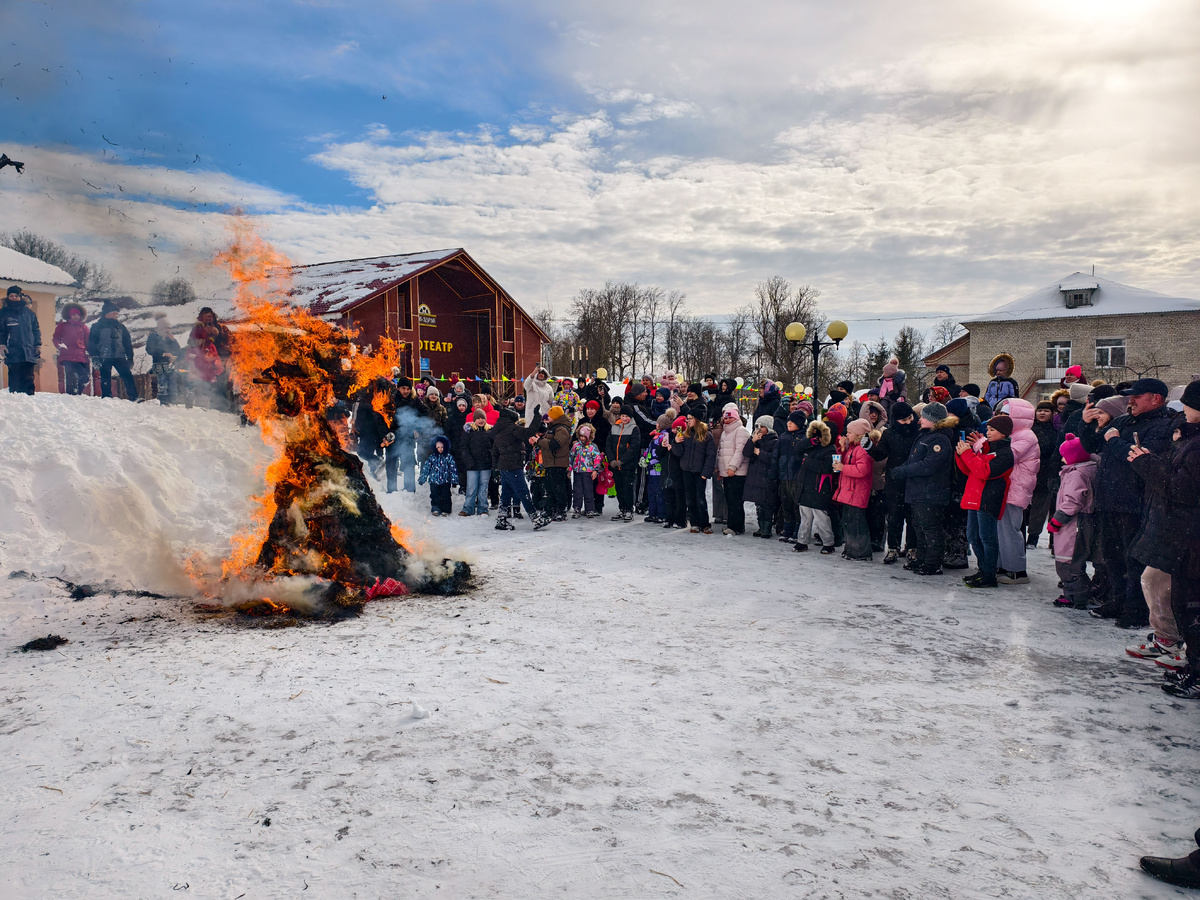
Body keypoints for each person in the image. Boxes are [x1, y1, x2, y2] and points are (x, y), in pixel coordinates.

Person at [1080, 378, 1175, 627]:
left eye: (1137, 396)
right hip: (1109, 500)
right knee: (1112, 557)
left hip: (1135, 504)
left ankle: (1136, 610)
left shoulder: (1163, 426)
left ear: (1156, 398)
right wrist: (1089, 424)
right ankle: (1117, 600)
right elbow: (1092, 446)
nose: (1130, 400)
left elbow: (1138, 459)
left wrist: (1113, 440)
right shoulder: (1123, 421)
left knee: (1134, 560)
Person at [891, 401, 958, 575]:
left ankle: (933, 563)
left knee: (930, 528)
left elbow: (928, 465)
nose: (919, 420)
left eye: (924, 417)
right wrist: (901, 469)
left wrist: (903, 471)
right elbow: (914, 460)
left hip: (930, 492)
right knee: (919, 527)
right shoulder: (926, 436)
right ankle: (921, 559)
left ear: (934, 420)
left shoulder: (940, 439)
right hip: (918, 490)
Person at [956, 414, 1016, 588]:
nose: (988, 433)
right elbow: (970, 470)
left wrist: (967, 454)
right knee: (973, 536)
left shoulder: (1005, 454)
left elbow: (984, 472)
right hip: (976, 496)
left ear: (1004, 433)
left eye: (992, 430)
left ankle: (989, 573)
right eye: (988, 429)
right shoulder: (987, 449)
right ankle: (983, 569)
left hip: (989, 499)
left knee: (987, 538)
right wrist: (962, 454)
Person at [1047, 433, 1098, 609]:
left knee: (1068, 561)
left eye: (1064, 454)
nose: (1061, 458)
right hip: (1078, 522)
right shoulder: (1082, 471)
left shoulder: (1076, 474)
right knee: (1073, 560)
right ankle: (1077, 593)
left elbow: (1073, 501)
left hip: (1074, 523)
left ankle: (1075, 596)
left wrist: (1057, 519)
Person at [995, 398, 1040, 584]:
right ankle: (1003, 565)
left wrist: (981, 442)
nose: (1001, 418)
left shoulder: (1025, 437)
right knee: (1001, 529)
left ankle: (1016, 570)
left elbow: (1005, 457)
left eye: (1006, 415)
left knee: (1010, 530)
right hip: (1007, 487)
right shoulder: (1013, 435)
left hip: (1015, 488)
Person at [869, 400, 919, 563]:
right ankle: (893, 548)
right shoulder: (890, 434)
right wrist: (869, 447)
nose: (908, 422)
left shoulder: (918, 431)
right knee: (894, 516)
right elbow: (881, 454)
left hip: (913, 478)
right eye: (903, 420)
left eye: (910, 418)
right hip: (894, 480)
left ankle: (912, 547)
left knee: (912, 516)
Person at [491, 406, 549, 530]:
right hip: (513, 465)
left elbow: (494, 452)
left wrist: (495, 469)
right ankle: (535, 518)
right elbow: (530, 431)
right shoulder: (511, 428)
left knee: (506, 492)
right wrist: (537, 416)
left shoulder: (497, 430)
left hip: (503, 466)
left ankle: (501, 518)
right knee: (523, 491)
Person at [833, 418, 880, 560]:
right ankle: (851, 548)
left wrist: (843, 468)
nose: (846, 435)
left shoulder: (862, 450)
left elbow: (862, 470)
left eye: (849, 432)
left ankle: (861, 551)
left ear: (859, 434)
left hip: (856, 491)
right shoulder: (852, 448)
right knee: (848, 521)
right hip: (848, 490)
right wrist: (841, 450)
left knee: (857, 523)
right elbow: (838, 464)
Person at [795, 418, 836, 553]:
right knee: (805, 516)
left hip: (819, 488)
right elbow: (797, 449)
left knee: (821, 517)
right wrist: (808, 442)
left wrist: (807, 461)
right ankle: (802, 541)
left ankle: (828, 543)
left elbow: (828, 468)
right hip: (806, 485)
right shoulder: (810, 446)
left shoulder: (831, 449)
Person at [672, 410, 716, 534]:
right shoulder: (685, 434)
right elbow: (678, 453)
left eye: (690, 418)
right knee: (690, 498)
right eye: (687, 418)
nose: (687, 421)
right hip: (687, 470)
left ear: (697, 419)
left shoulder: (707, 435)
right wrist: (676, 442)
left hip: (699, 471)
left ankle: (705, 524)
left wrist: (706, 472)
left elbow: (711, 456)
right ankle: (695, 522)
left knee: (700, 498)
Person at [88, 300, 138, 400]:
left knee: (128, 377)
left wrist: (130, 358)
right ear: (107, 313)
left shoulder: (121, 327)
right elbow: (91, 343)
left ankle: (134, 397)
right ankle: (107, 397)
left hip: (120, 356)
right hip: (103, 356)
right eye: (114, 312)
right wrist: (94, 357)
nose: (116, 315)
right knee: (105, 378)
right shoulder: (96, 327)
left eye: (117, 313)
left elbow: (127, 343)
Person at [1027, 401, 1060, 547]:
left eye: (1046, 411)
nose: (1042, 413)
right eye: (1039, 410)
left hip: (1047, 473)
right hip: (1030, 471)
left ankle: (1033, 536)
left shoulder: (1055, 430)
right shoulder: (1030, 429)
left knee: (1041, 507)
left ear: (1052, 413)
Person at [715, 403, 750, 535]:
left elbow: (740, 451)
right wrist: (720, 469)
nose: (728, 420)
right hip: (727, 473)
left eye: (731, 418)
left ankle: (737, 526)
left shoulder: (740, 431)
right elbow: (721, 452)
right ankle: (732, 524)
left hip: (737, 472)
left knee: (735, 500)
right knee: (729, 499)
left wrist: (732, 467)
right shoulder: (725, 432)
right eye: (726, 418)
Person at [0, 285, 41, 395]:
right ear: (8, 297)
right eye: (11, 296)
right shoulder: (3, 313)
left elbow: (36, 329)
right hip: (13, 350)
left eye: (16, 296)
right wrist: (2, 345)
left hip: (28, 350)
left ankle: (29, 400)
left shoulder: (29, 313)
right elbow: (1, 331)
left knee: (28, 378)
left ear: (20, 297)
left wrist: (38, 345)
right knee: (15, 377)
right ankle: (16, 401)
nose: (13, 298)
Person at [744, 415, 779, 538]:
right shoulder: (755, 439)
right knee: (758, 503)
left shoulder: (774, 441)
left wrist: (760, 453)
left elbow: (774, 459)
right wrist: (752, 441)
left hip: (767, 475)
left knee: (767, 504)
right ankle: (761, 526)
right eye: (757, 426)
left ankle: (767, 528)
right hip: (755, 475)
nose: (758, 429)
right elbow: (746, 453)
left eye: (761, 427)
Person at [606, 406, 642, 522]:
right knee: (619, 488)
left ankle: (628, 509)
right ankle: (622, 508)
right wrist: (612, 460)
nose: (624, 418)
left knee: (628, 487)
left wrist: (622, 460)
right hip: (615, 465)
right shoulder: (614, 428)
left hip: (627, 465)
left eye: (627, 416)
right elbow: (609, 445)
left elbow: (634, 447)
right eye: (622, 416)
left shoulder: (634, 429)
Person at [459, 409, 493, 516]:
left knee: (483, 487)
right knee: (471, 487)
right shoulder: (469, 432)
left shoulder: (490, 431)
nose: (480, 420)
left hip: (486, 465)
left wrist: (491, 460)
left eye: (482, 418)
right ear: (474, 420)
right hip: (472, 466)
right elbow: (463, 447)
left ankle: (483, 508)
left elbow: (494, 447)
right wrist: (468, 461)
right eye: (478, 418)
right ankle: (468, 508)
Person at [52, 301, 90, 396]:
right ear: (69, 315)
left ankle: (78, 393)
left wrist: (92, 352)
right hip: (67, 355)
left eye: (77, 314)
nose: (76, 316)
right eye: (73, 314)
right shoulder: (62, 326)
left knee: (85, 377)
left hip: (82, 357)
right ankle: (71, 395)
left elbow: (89, 342)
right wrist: (59, 346)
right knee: (72, 377)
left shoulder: (84, 328)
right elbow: (56, 338)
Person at [641, 412, 673, 523]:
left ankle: (661, 514)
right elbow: (649, 449)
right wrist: (644, 457)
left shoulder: (663, 436)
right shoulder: (656, 435)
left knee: (659, 493)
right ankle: (652, 513)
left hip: (657, 469)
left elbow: (658, 453)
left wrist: (650, 461)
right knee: (652, 492)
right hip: (651, 469)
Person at [569, 422, 605, 518]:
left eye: (584, 437)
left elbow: (597, 459)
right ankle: (577, 508)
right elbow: (571, 457)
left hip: (588, 473)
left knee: (588, 491)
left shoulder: (593, 447)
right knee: (577, 491)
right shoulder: (576, 446)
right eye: (581, 436)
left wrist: (595, 471)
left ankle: (590, 509)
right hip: (578, 472)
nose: (582, 439)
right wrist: (569, 469)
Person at [145, 312, 183, 405]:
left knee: (173, 382)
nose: (168, 330)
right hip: (159, 364)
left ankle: (174, 401)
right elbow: (150, 349)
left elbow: (178, 350)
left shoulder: (170, 339)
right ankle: (163, 401)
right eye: (166, 328)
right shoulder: (153, 336)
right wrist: (163, 354)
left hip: (170, 364)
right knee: (162, 383)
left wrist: (173, 341)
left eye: (169, 328)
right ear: (160, 328)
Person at [418, 435, 458, 516]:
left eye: (442, 447)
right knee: (434, 495)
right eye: (438, 447)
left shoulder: (448, 457)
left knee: (446, 495)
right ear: (434, 447)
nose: (440, 449)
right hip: (434, 481)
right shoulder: (432, 458)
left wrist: (454, 480)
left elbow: (453, 469)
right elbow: (426, 468)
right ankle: (436, 508)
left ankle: (446, 509)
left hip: (445, 480)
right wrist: (423, 478)